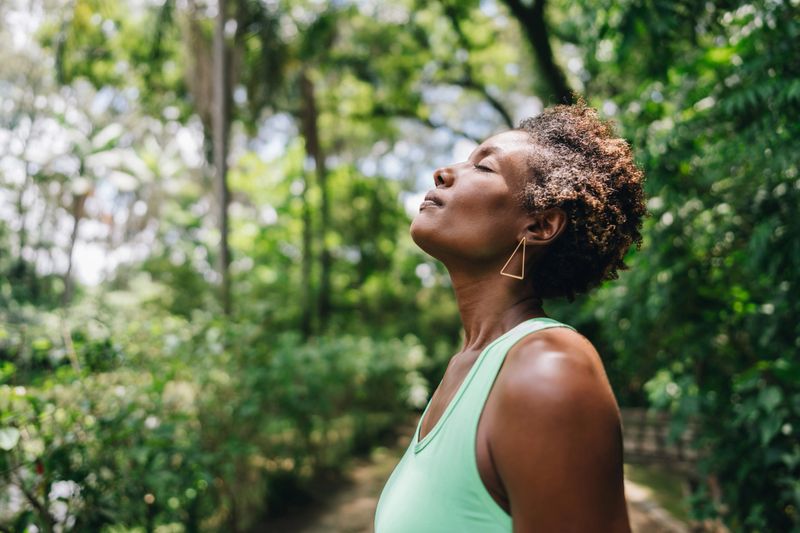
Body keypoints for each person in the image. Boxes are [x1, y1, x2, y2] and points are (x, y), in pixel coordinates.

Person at [373, 100, 646, 532]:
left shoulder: (548, 367)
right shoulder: (466, 368)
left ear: (538, 227)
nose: (444, 172)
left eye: (484, 168)